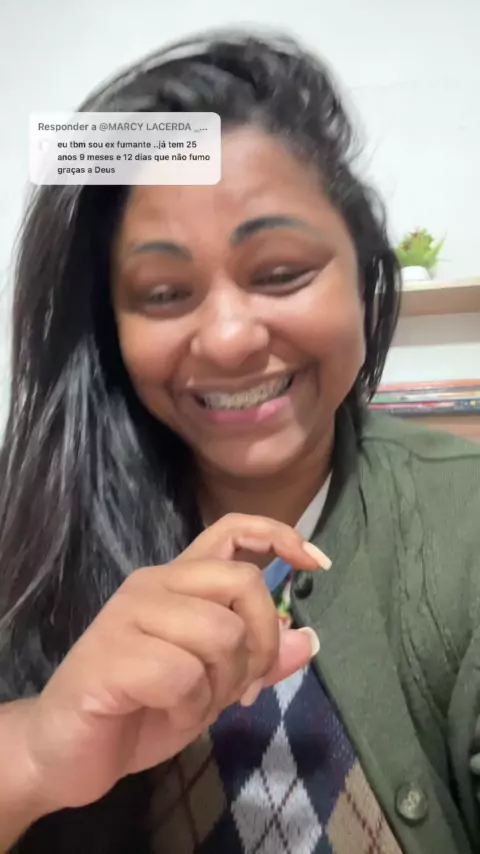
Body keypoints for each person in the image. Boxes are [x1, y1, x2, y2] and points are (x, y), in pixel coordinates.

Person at [0, 28, 479, 854]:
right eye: (162, 292)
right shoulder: (29, 536)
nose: (227, 339)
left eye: (281, 272)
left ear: (364, 274)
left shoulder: (464, 518)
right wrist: (37, 751)